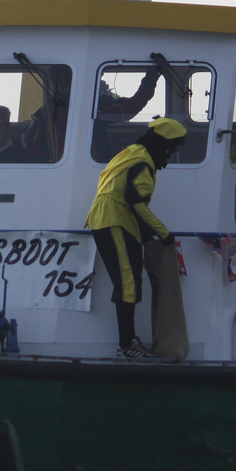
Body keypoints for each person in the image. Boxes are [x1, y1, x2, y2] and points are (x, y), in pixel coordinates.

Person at [85, 116, 186, 357]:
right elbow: (136, 203)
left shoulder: (134, 153)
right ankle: (126, 345)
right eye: (171, 150)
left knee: (130, 282)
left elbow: (128, 199)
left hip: (116, 219)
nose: (170, 157)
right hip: (113, 220)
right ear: (163, 146)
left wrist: (146, 237)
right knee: (128, 284)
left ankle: (130, 342)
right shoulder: (143, 162)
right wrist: (163, 233)